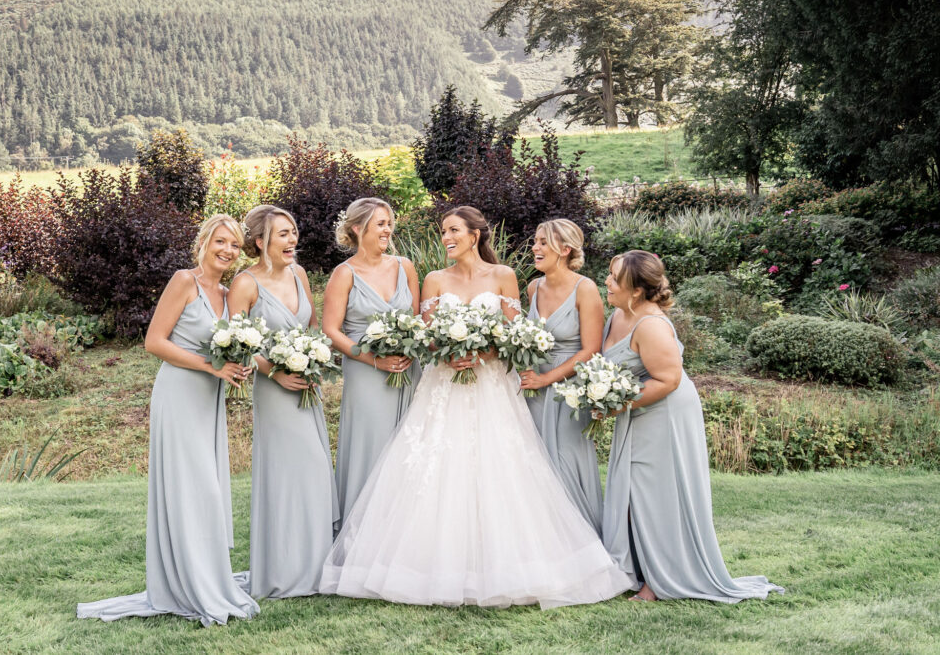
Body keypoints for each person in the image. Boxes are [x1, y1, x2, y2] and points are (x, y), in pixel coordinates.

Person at [320, 206, 633, 609]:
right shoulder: (433, 280)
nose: (446, 237)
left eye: (453, 231)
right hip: (443, 386)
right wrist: (448, 353)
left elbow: (513, 334)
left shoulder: (503, 277)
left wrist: (483, 351)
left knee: (500, 468)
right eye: (443, 231)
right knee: (434, 468)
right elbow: (427, 336)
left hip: (492, 386)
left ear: (474, 235)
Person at [77, 214, 259, 626]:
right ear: (204, 242)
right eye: (221, 242)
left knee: (208, 491)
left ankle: (205, 577)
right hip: (179, 393)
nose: (228, 250)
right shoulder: (184, 281)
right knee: (191, 489)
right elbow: (154, 342)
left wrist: (237, 364)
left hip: (209, 399)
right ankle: (189, 585)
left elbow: (229, 347)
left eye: (235, 244)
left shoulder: (230, 294)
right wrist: (211, 367)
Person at [600, 250, 784, 602]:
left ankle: (658, 582)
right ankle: (635, 569)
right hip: (638, 409)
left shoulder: (650, 324)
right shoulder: (619, 314)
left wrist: (613, 403)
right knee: (631, 491)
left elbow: (667, 379)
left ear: (636, 290)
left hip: (664, 413)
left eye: (613, 276)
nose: (607, 281)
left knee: (657, 495)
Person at [227, 205, 338, 599]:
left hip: (307, 385)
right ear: (261, 242)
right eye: (283, 234)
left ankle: (315, 564)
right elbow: (236, 343)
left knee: (313, 470)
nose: (292, 240)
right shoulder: (245, 284)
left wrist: (313, 359)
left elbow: (311, 325)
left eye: (294, 232)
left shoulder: (300, 274)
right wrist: (276, 371)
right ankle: (284, 568)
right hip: (274, 390)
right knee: (288, 472)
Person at [322, 197, 421, 524]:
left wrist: (408, 346)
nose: (388, 229)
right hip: (366, 373)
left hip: (408, 372)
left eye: (389, 223)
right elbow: (331, 330)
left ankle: (406, 531)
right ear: (357, 228)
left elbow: (417, 320)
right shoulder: (344, 273)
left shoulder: (405, 267)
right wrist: (373, 360)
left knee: (409, 448)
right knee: (372, 448)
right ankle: (361, 531)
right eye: (380, 223)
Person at [521, 219, 606, 536]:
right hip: (533, 390)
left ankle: (584, 540)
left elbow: (591, 348)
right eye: (536, 241)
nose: (535, 247)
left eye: (543, 242)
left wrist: (547, 380)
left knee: (566, 462)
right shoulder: (533, 288)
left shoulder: (585, 289)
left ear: (565, 249)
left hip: (569, 391)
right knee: (536, 463)